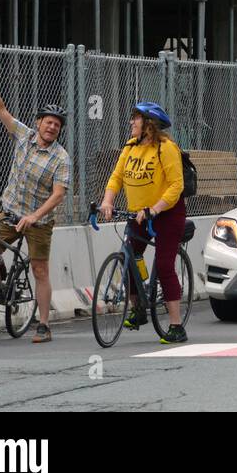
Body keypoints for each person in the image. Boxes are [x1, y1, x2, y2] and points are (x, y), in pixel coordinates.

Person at [0, 61, 71, 344]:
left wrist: (35, 216)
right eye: (48, 122)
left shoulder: (61, 158)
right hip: (11, 212)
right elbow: (0, 109)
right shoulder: (24, 136)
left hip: (39, 220)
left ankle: (43, 325)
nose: (51, 127)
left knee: (39, 269)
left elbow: (59, 194)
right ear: (38, 123)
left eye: (57, 125)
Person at [100, 101, 189, 345]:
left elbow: (176, 185)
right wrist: (108, 200)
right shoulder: (130, 147)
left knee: (164, 264)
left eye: (136, 118)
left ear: (149, 123)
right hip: (137, 213)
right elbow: (116, 177)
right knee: (130, 257)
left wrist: (155, 208)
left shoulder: (166, 148)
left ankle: (176, 326)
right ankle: (138, 309)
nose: (131, 122)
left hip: (167, 214)